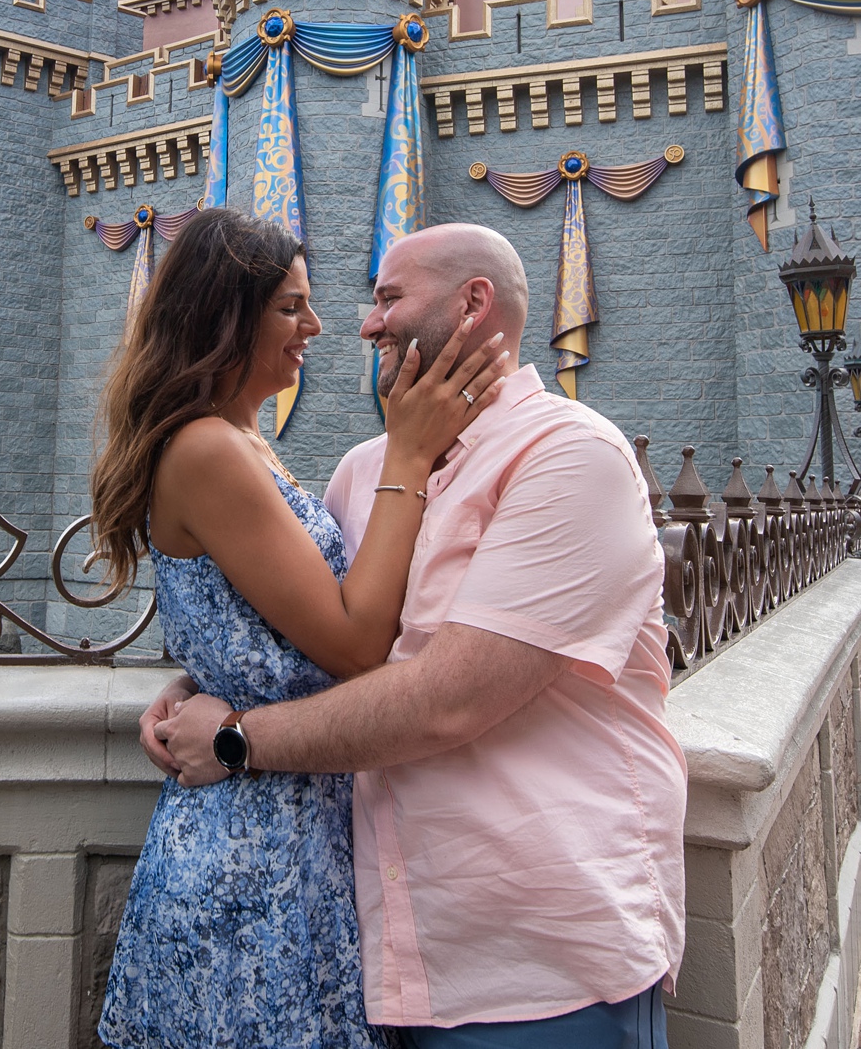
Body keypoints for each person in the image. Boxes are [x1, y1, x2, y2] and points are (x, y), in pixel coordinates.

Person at [155, 223, 687, 1049]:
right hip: (378, 955)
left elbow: (448, 699)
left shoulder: (570, 457)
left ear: (473, 304)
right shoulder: (364, 472)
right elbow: (301, 638)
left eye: (388, 298)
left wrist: (231, 739)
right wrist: (201, 678)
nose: (362, 325)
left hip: (540, 967)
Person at [91, 208, 508, 1049]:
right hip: (257, 853)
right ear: (226, 315)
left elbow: (247, 621)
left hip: (292, 829)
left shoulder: (242, 443)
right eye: (291, 307)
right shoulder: (208, 448)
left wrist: (193, 684)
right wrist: (408, 454)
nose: (317, 327)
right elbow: (355, 645)